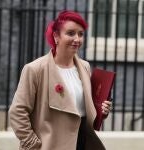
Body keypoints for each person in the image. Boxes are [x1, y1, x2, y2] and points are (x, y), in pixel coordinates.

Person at [9, 10, 112, 150]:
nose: (77, 39)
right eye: (71, 33)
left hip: (82, 142)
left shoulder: (85, 67)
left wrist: (101, 110)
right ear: (56, 36)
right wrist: (33, 144)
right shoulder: (35, 69)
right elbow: (17, 112)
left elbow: (85, 107)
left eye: (80, 34)